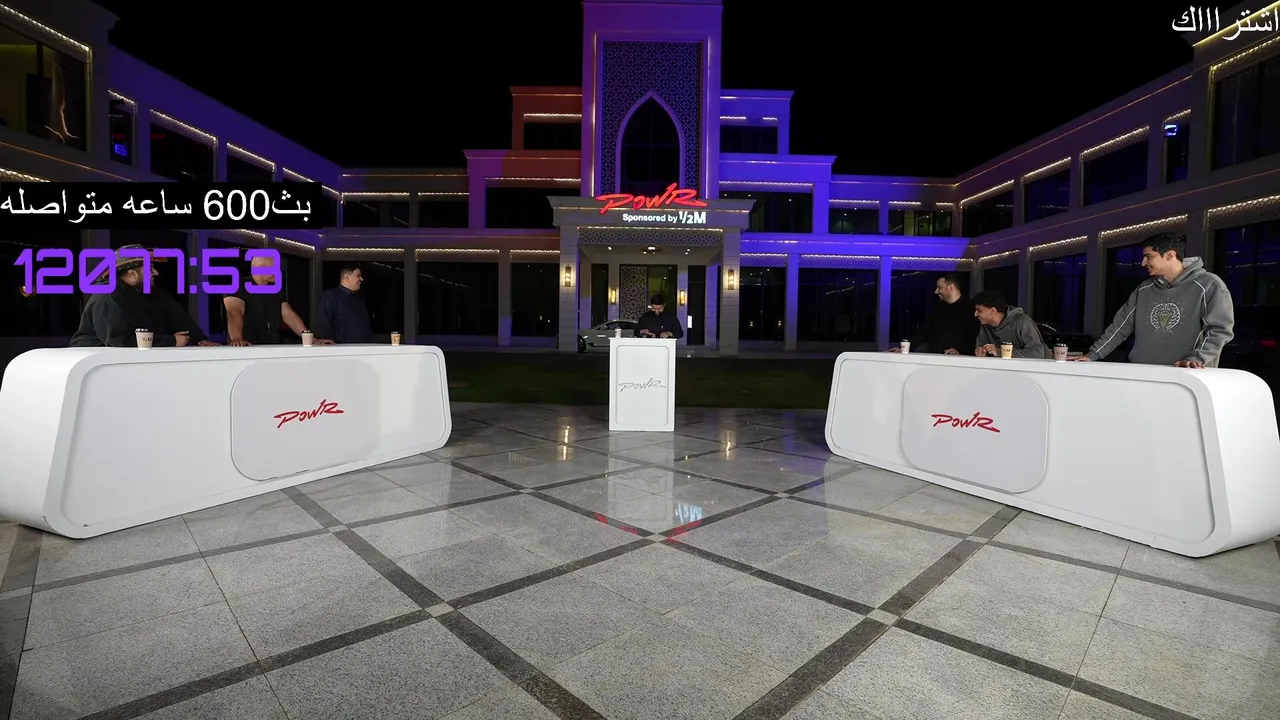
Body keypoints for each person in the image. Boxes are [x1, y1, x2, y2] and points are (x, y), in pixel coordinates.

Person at [1071, 232, 1234, 369]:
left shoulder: (1208, 285)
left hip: (1186, 374)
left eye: (1148, 257)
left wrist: (1197, 359)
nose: (1143, 263)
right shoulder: (1144, 288)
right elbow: (1119, 327)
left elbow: (1219, 330)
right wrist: (1092, 355)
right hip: (1143, 372)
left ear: (1170, 255)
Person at [70, 245, 199, 348]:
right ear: (132, 274)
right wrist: (172, 341)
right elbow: (121, 339)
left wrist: (199, 338)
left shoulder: (141, 293)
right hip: (93, 363)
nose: (155, 273)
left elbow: (173, 314)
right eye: (150, 268)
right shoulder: (109, 295)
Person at [224, 254, 324, 345]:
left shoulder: (275, 289)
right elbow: (233, 313)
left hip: (270, 347)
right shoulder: (238, 286)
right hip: (246, 348)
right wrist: (237, 339)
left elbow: (288, 314)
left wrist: (310, 338)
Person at [887, 273, 979, 354]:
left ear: (951, 288)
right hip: (934, 360)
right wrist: (903, 349)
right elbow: (922, 332)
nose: (936, 291)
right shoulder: (937, 309)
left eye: (940, 287)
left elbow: (974, 339)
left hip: (959, 363)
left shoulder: (971, 309)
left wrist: (960, 351)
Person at [972, 289, 1050, 358]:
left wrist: (1001, 352)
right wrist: (981, 351)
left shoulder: (1022, 322)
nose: (975, 314)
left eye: (979, 310)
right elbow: (981, 346)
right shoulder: (986, 325)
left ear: (993, 311)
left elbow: (1037, 353)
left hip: (1043, 368)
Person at [314, 263, 373, 344]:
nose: (361, 279)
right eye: (358, 276)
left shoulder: (359, 300)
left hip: (363, 349)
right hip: (339, 349)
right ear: (346, 277)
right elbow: (323, 324)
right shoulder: (330, 296)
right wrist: (329, 347)